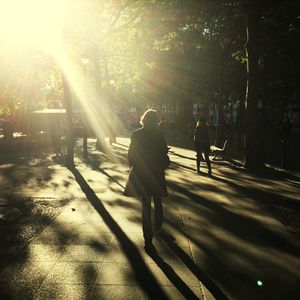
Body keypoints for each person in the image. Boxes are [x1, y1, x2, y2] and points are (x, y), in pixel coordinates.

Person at [124, 109, 170, 251]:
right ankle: (158, 227)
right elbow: (163, 152)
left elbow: (131, 155)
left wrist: (135, 168)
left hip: (142, 174)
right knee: (158, 201)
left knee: (145, 206)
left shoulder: (136, 134)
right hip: (156, 174)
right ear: (156, 120)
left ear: (143, 119)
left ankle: (147, 240)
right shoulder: (159, 134)